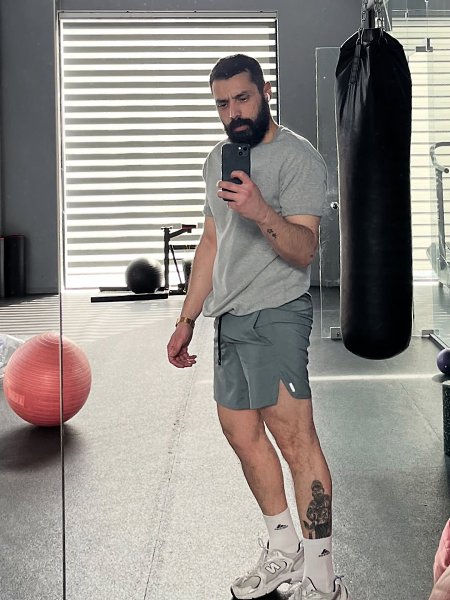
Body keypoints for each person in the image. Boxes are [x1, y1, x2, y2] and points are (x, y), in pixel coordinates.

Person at [166, 53, 351, 600]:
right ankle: (284, 550)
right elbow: (212, 242)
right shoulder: (217, 160)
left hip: (276, 314)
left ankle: (322, 577)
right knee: (242, 434)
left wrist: (261, 210)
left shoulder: (298, 158)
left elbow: (304, 249)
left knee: (295, 440)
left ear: (265, 91)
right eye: (222, 104)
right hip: (229, 318)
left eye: (242, 99)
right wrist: (187, 317)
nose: (233, 113)